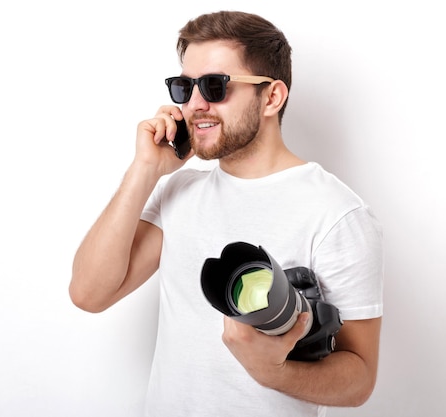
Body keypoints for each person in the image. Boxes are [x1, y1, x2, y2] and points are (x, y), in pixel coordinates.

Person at [69, 10, 383, 417]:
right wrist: (144, 169)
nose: (194, 105)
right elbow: (89, 294)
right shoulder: (178, 191)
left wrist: (274, 373)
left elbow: (359, 378)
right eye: (185, 87)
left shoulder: (338, 214)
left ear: (271, 97)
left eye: (215, 86)